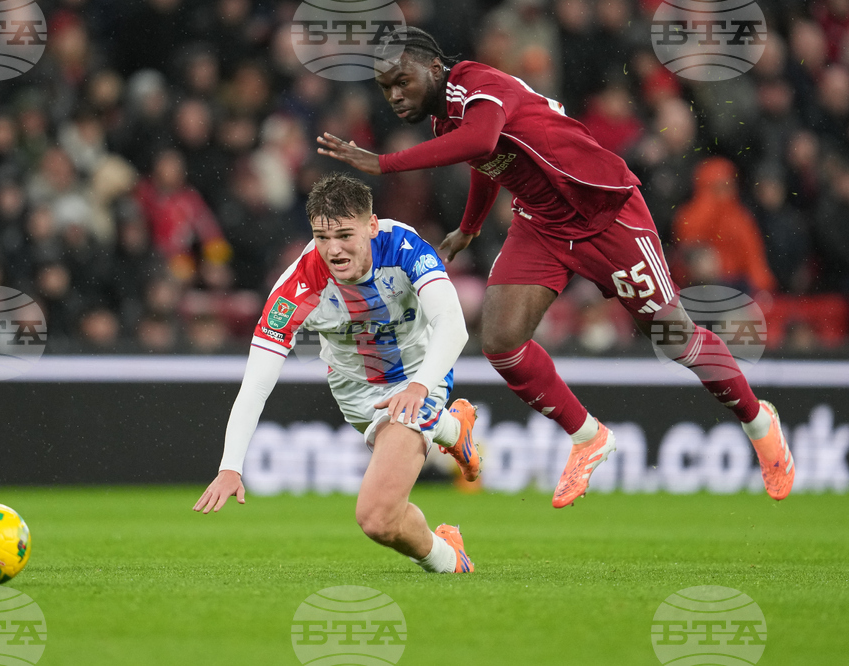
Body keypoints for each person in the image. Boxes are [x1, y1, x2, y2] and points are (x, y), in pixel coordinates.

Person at [316, 27, 795, 507]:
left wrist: (385, 162)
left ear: (435, 68)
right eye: (386, 88)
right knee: (501, 341)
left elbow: (482, 140)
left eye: (403, 81)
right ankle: (588, 437)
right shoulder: (446, 121)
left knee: (675, 339)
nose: (396, 95)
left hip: (606, 213)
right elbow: (488, 161)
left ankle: (759, 422)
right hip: (542, 223)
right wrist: (472, 226)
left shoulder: (476, 83)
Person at [194, 173, 479, 574]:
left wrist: (418, 387)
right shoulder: (295, 286)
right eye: (322, 237)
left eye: (345, 235)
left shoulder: (402, 245)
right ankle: (449, 542)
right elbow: (256, 384)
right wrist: (230, 466)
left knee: (374, 517)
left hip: (419, 374)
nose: (333, 249)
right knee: (385, 524)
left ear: (372, 225)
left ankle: (443, 429)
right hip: (355, 392)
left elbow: (453, 325)